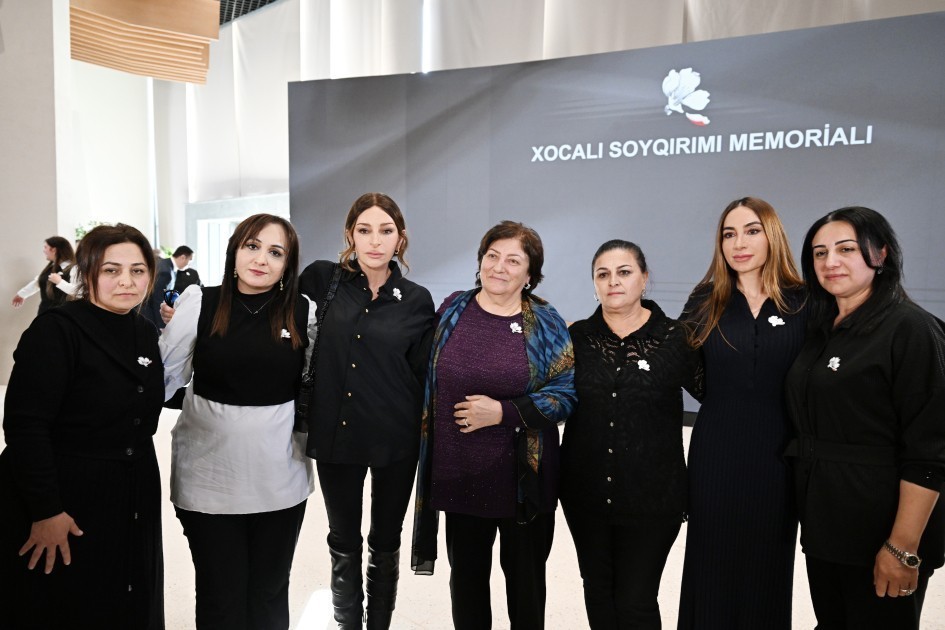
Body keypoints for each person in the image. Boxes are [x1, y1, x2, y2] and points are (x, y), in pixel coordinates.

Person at [784, 206, 945, 629]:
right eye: (820, 253)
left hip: (882, 532)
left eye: (846, 249)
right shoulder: (822, 328)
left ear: (881, 254)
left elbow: (930, 451)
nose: (830, 262)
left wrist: (901, 548)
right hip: (826, 525)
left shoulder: (911, 328)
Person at [412, 220, 576, 630]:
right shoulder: (453, 309)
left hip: (522, 481)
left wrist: (503, 412)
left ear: (530, 274)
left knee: (525, 591)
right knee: (466, 589)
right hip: (460, 475)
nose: (499, 267)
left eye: (513, 260)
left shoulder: (546, 322)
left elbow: (566, 394)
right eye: (492, 256)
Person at [0, 224, 164, 629]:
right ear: (87, 272)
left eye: (138, 270)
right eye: (111, 270)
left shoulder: (144, 330)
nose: (126, 281)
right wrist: (46, 510)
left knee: (127, 598)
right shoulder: (57, 329)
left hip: (131, 490)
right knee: (66, 601)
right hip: (65, 491)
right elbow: (25, 426)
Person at [160, 214, 315, 630]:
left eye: (276, 252)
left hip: (279, 481)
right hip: (208, 482)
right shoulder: (200, 302)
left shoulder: (304, 312)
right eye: (252, 246)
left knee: (268, 595)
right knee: (220, 597)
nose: (261, 259)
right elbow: (163, 376)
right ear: (234, 251)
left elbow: (318, 384)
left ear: (288, 265)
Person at [298, 192, 435, 629]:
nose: (375, 241)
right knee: (342, 539)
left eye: (386, 230)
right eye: (365, 230)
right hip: (336, 433)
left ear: (400, 239)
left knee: (386, 539)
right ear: (350, 235)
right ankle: (348, 624)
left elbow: (422, 374)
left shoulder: (417, 299)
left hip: (396, 437)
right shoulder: (322, 280)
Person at [676, 197, 806, 629]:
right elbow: (679, 363)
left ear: (772, 235)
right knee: (711, 565)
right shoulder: (705, 299)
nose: (739, 243)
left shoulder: (803, 300)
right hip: (716, 451)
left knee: (767, 568)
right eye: (729, 234)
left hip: (778, 456)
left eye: (751, 231)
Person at [561, 240, 703, 629]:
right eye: (603, 274)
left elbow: (717, 395)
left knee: (635, 601)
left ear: (644, 278)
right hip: (585, 493)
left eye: (624, 272)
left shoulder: (675, 338)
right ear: (594, 284)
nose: (613, 282)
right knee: (598, 593)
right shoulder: (577, 338)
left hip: (653, 499)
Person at [11, 236, 78, 314]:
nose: (44, 250)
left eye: (46, 247)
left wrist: (60, 282)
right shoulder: (51, 267)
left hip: (62, 315)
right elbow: (39, 282)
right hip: (45, 313)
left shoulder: (73, 268)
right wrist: (22, 294)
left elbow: (77, 291)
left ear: (54, 250)